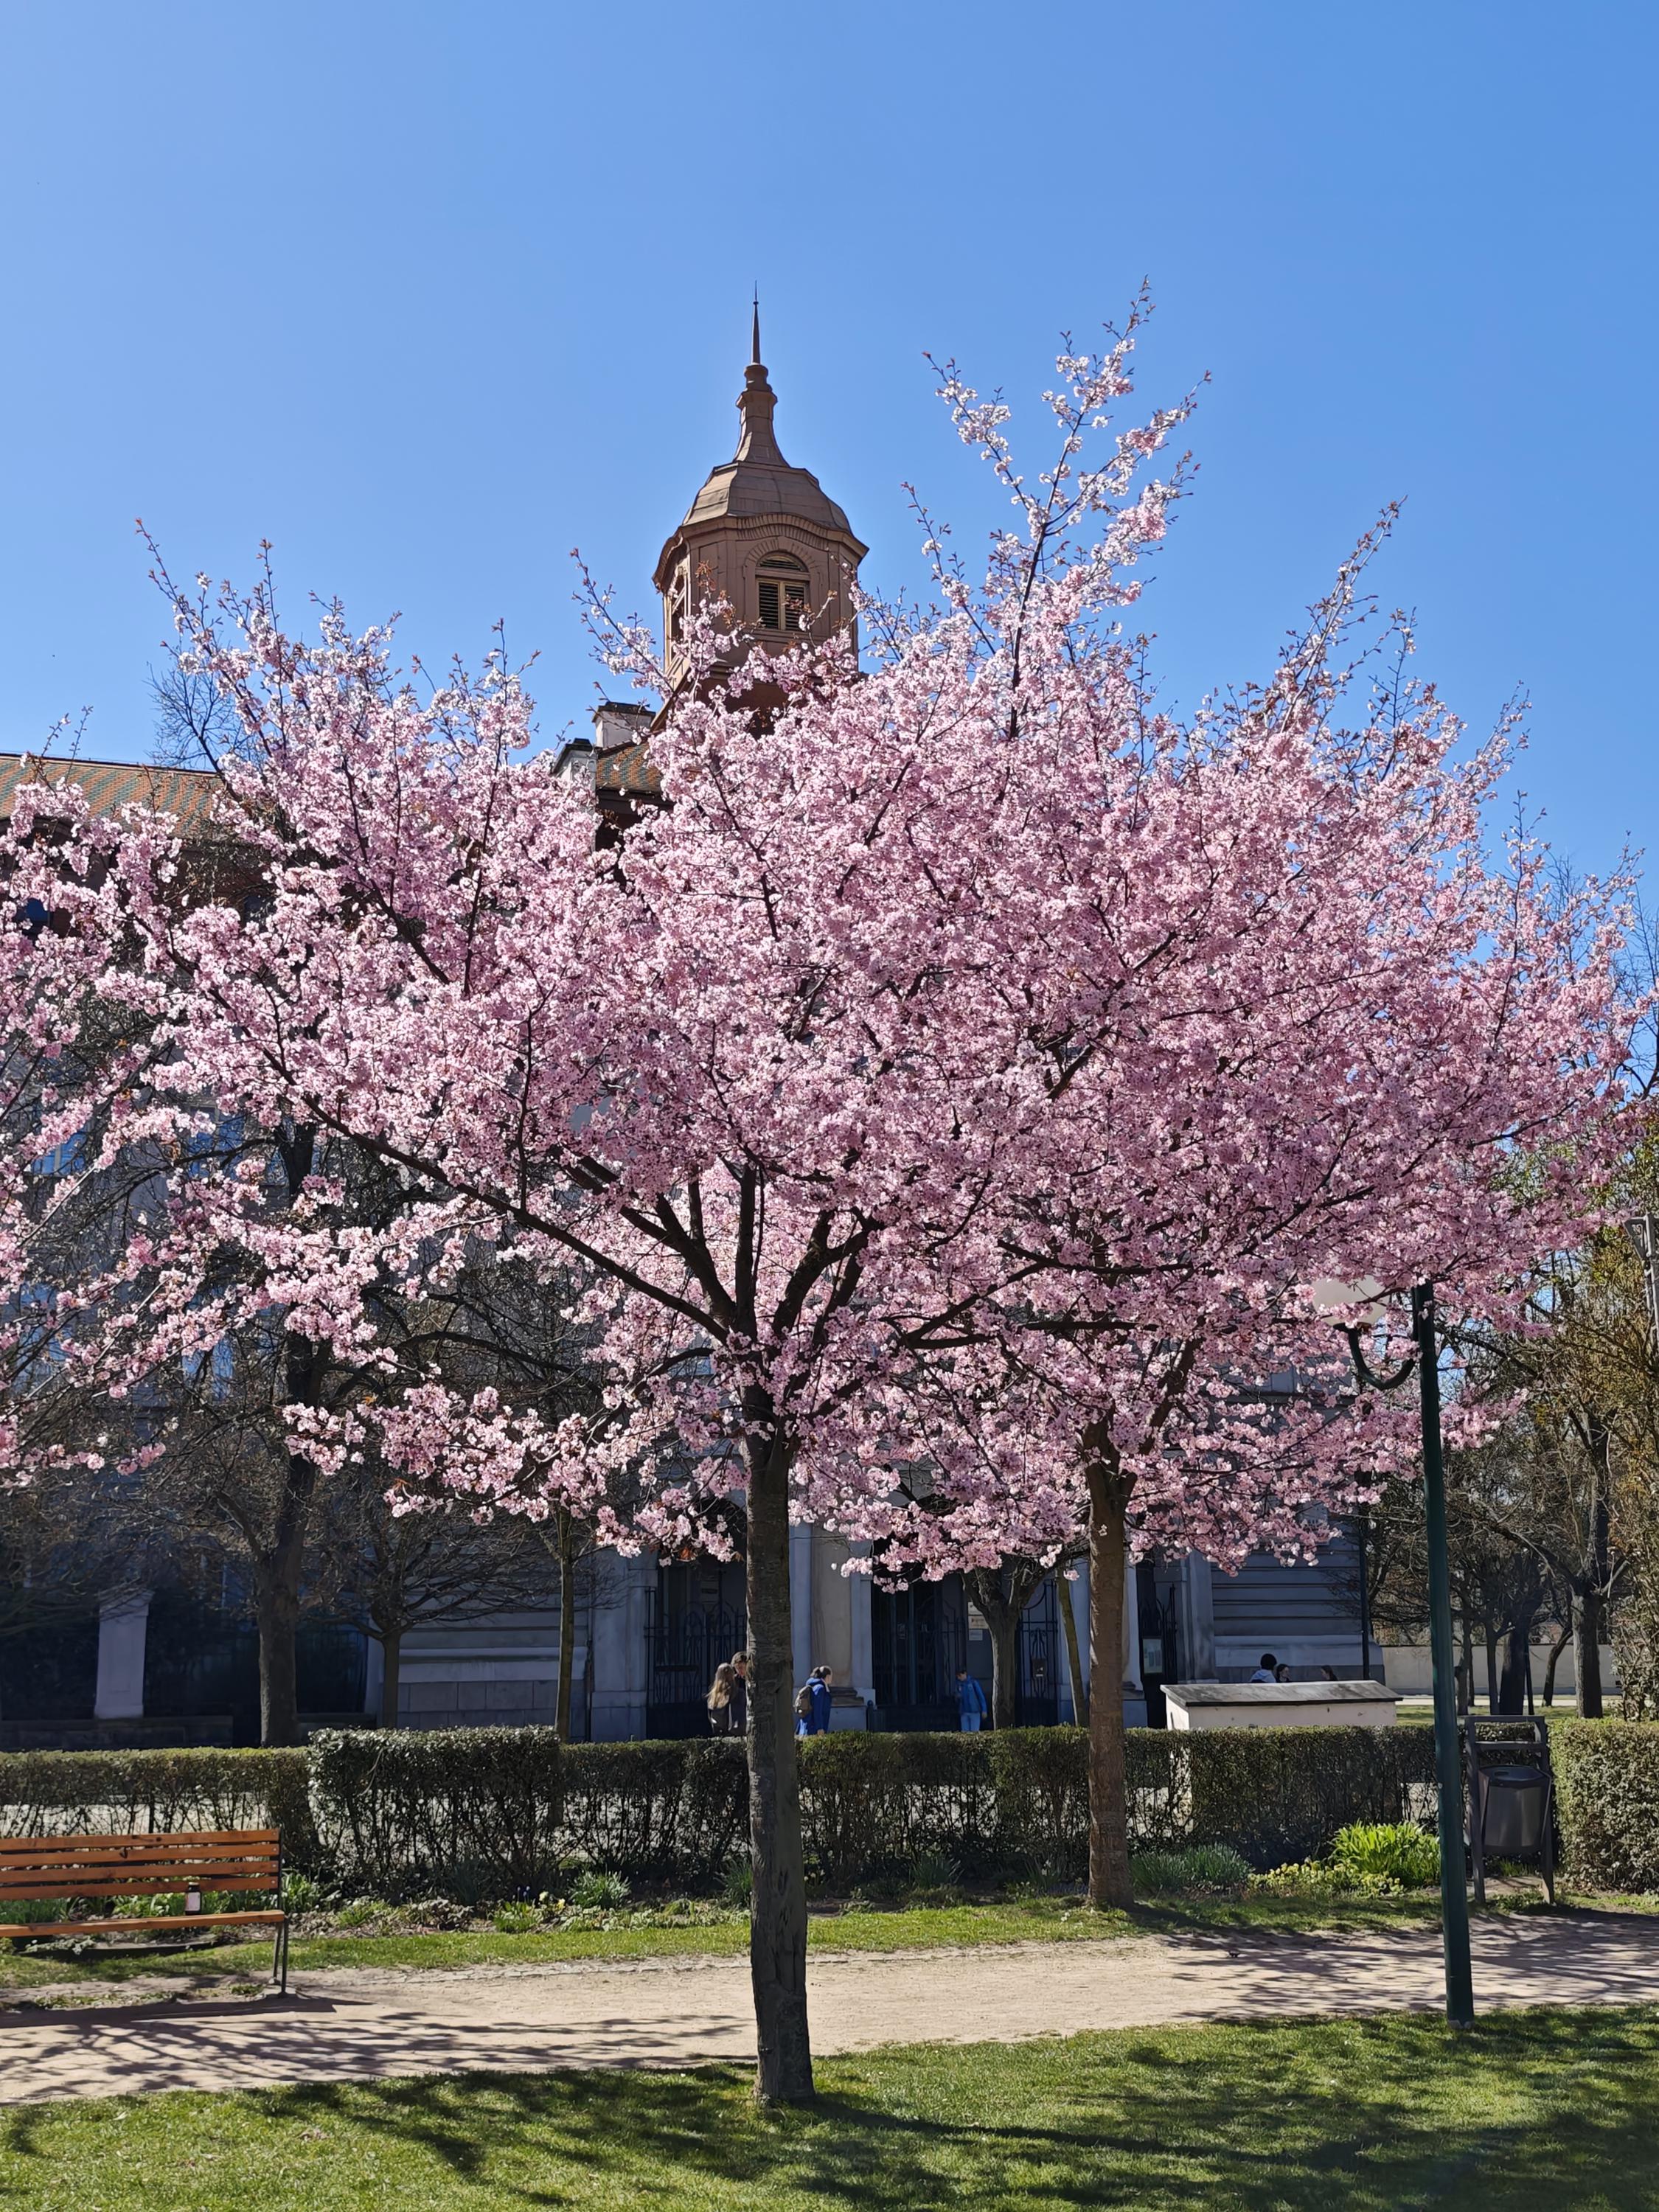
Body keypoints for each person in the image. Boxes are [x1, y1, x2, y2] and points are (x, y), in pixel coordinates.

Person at [796, 1664, 833, 1736]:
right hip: (814, 1727)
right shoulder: (820, 1688)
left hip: (808, 1724)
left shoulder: (813, 1686)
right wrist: (820, 1727)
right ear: (828, 1677)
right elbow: (817, 1709)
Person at [707, 1661, 738, 1733]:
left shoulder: (713, 1696)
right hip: (733, 1731)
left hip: (718, 1731)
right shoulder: (737, 1693)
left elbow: (710, 1715)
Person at [955, 1667, 989, 1733]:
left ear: (965, 1674)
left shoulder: (973, 1682)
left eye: (960, 1676)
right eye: (958, 1676)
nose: (959, 1678)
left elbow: (980, 1696)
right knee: (964, 1734)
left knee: (974, 1733)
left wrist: (984, 1710)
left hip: (974, 1711)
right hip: (964, 1712)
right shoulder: (959, 1685)